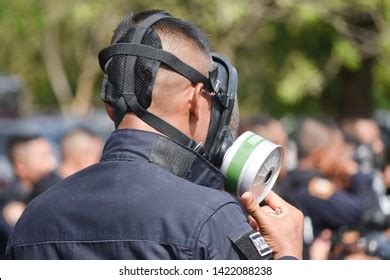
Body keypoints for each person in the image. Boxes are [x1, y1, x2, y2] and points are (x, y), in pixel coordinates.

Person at [7, 10, 303, 260]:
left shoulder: (34, 219)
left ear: (110, 109)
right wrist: (289, 256)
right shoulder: (212, 217)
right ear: (195, 99)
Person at [0, 134, 57, 258]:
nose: (51, 163)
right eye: (43, 157)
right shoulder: (11, 203)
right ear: (19, 166)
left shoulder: (49, 188)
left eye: (50, 154)